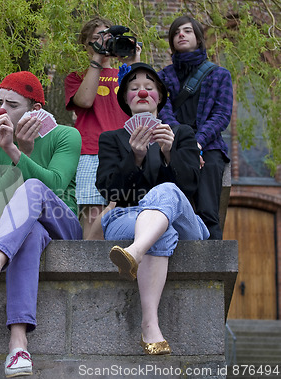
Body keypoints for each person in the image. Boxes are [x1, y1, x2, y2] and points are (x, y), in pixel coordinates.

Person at [0, 71, 82, 377]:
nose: (2, 110)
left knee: (32, 189)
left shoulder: (66, 135)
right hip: (21, 229)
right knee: (30, 234)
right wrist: (6, 149)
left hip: (63, 223)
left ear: (35, 110)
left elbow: (54, 187)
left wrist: (19, 152)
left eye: (12, 104)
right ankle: (18, 346)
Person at [96, 63, 210, 355]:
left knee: (167, 191)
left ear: (160, 96)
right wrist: (134, 158)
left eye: (148, 86)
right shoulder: (112, 139)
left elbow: (190, 188)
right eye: (133, 88)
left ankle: (134, 253)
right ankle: (150, 325)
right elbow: (110, 191)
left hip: (184, 220)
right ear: (126, 99)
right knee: (161, 231)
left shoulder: (181, 133)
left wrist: (170, 153)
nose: (141, 91)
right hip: (126, 218)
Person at [64, 16, 141, 239]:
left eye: (109, 37)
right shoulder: (76, 77)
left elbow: (142, 105)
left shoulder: (124, 74)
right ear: (86, 44)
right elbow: (85, 100)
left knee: (125, 210)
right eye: (98, 37)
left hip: (126, 151)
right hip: (91, 151)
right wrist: (98, 57)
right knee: (92, 215)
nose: (105, 42)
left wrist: (135, 60)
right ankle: (88, 271)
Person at [158, 16, 233, 239]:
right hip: (173, 146)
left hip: (209, 147)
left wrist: (197, 144)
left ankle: (212, 266)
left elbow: (221, 116)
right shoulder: (162, 77)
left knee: (209, 211)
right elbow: (163, 111)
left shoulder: (220, 75)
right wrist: (184, 145)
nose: (181, 34)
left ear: (198, 39)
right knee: (167, 209)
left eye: (187, 31)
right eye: (176, 32)